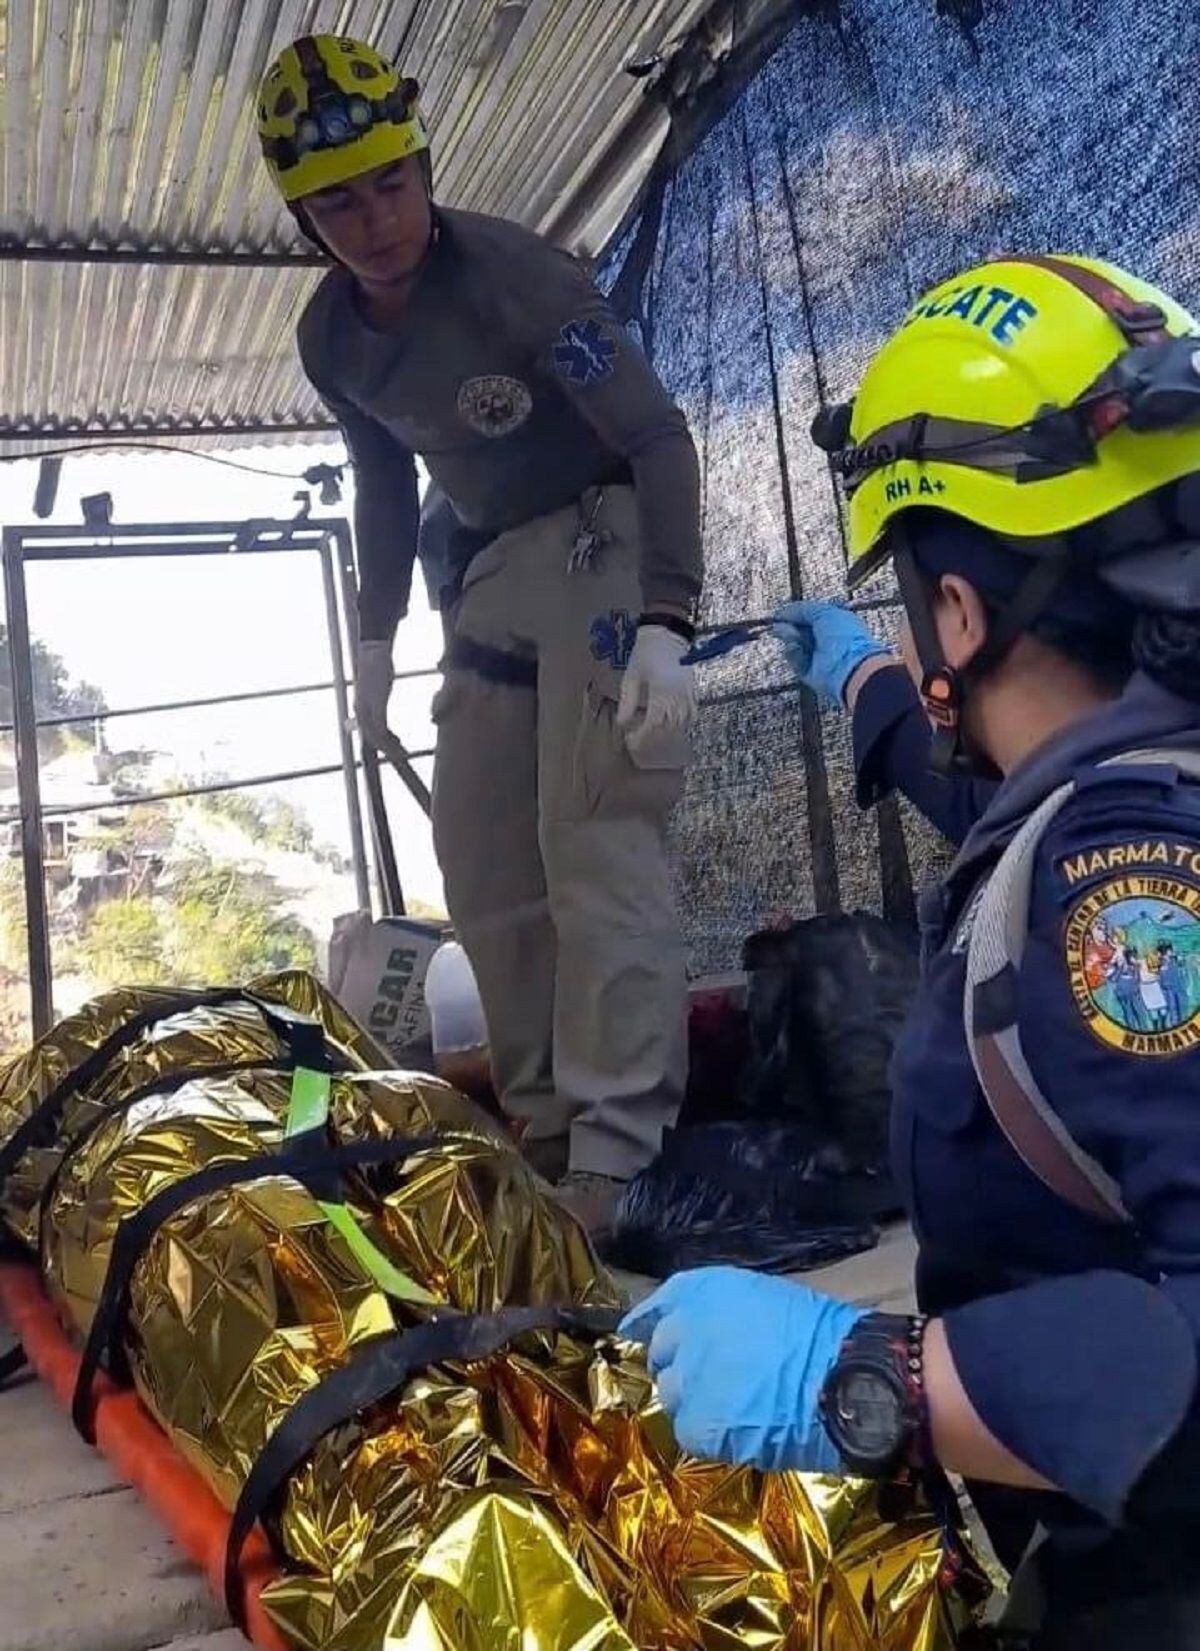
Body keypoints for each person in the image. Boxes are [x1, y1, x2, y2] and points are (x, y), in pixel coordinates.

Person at [623, 254, 1200, 1645]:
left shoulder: (1127, 887)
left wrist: (874, 1375)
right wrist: (869, 685)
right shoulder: (1129, 786)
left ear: (962, 611)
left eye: (915, 606)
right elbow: (1002, 791)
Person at [256, 36, 703, 1231]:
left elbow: (658, 438)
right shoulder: (332, 338)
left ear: (423, 164)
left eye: (391, 181)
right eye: (338, 199)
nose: (374, 217)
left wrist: (669, 618)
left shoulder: (518, 279)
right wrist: (371, 640)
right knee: (483, 852)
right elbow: (387, 485)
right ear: (305, 215)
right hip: (494, 563)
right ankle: (546, 1125)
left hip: (604, 530)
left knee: (592, 835)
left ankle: (619, 1148)